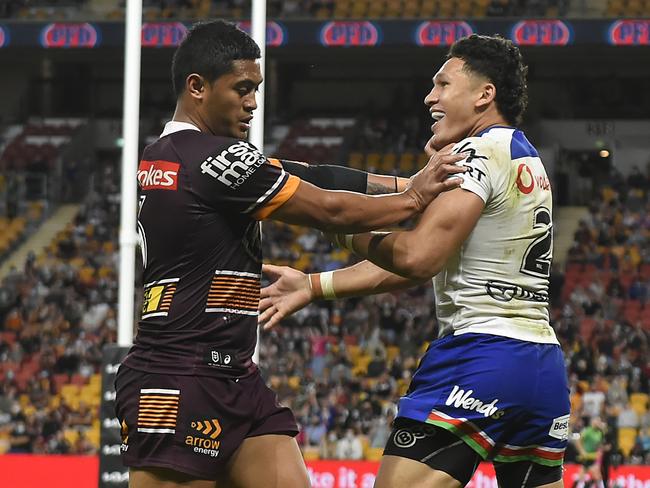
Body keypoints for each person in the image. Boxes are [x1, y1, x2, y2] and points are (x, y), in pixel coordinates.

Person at [114, 19, 465, 488]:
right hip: (178, 377)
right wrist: (415, 199)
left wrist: (415, 181)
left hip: (234, 376)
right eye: (241, 89)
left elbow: (316, 175)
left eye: (256, 89)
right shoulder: (209, 159)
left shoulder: (179, 155)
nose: (253, 103)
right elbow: (329, 206)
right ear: (197, 87)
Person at [260, 34, 571, 487]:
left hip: (479, 359)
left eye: (443, 84)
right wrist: (315, 285)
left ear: (485, 95)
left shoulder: (479, 152)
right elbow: (426, 247)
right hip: (541, 368)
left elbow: (418, 256)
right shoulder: (522, 155)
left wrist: (337, 227)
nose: (431, 97)